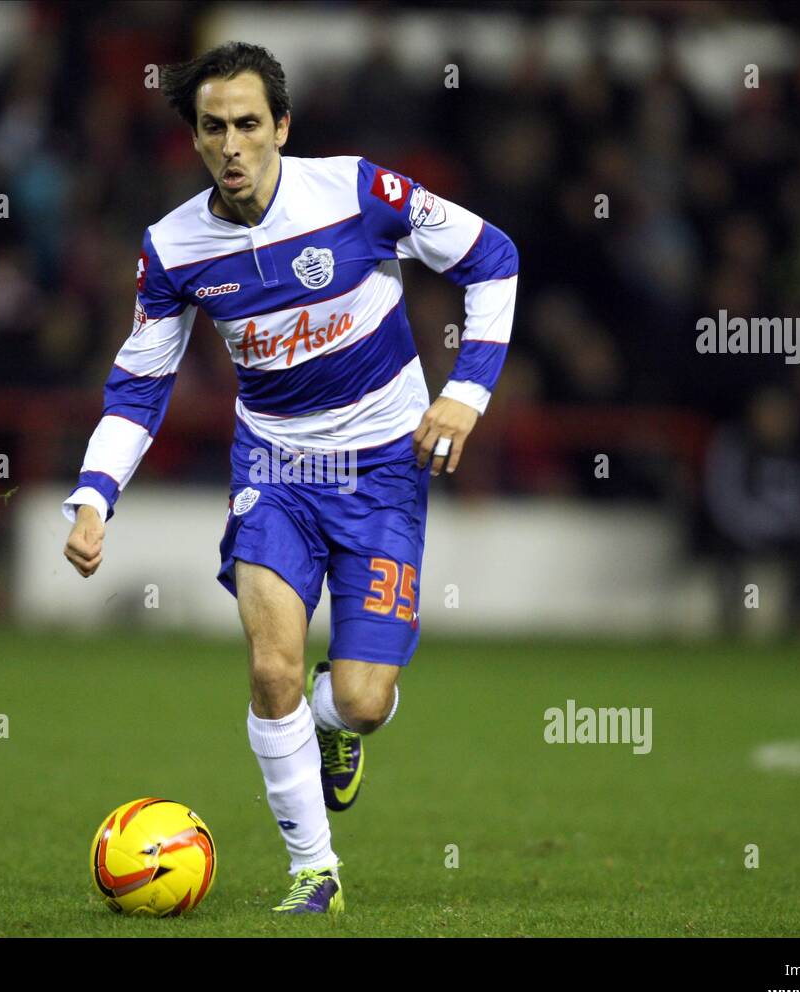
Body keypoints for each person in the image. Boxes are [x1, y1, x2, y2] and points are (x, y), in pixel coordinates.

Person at [62, 42, 517, 914]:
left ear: (281, 127)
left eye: (246, 125)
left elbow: (493, 257)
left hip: (386, 468)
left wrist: (465, 394)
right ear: (192, 139)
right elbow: (140, 382)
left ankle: (336, 724)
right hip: (273, 469)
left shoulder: (355, 191)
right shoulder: (172, 248)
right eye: (211, 129)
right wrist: (94, 496)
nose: (231, 146)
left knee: (363, 697)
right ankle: (316, 871)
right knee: (272, 668)